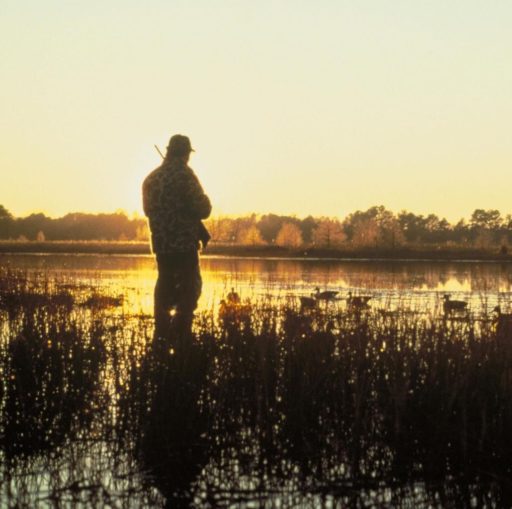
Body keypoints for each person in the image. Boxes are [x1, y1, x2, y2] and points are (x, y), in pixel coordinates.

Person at [142, 134, 211, 342]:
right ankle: (182, 335)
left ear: (169, 150)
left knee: (164, 285)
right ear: (185, 154)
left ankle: (162, 335)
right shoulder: (185, 175)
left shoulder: (151, 179)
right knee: (190, 289)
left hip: (162, 247)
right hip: (184, 246)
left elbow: (148, 211)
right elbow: (203, 209)